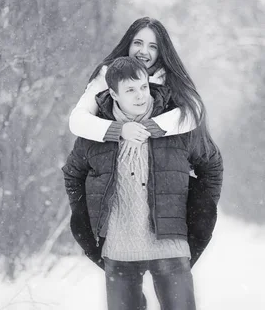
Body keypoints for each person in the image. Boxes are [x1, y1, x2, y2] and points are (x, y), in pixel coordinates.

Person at [63, 57, 223, 310]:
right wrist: (86, 214)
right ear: (114, 94)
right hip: (118, 248)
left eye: (143, 87)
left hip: (171, 245)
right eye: (130, 90)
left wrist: (202, 209)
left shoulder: (175, 125)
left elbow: (211, 165)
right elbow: (73, 174)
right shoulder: (96, 133)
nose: (140, 96)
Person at [68, 17, 212, 158]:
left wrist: (146, 129)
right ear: (128, 44)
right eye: (138, 43)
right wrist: (120, 130)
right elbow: (77, 120)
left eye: (153, 47)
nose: (143, 51)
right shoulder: (107, 75)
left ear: (161, 51)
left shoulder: (170, 78)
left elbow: (194, 112)